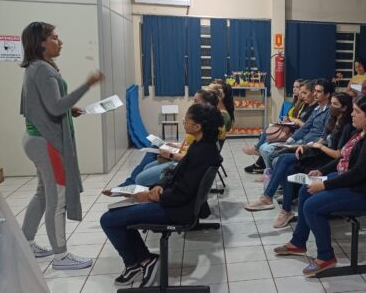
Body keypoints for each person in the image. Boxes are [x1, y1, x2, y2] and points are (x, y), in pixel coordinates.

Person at [272, 95, 366, 277]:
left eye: (357, 112)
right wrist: (321, 172)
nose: (352, 115)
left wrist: (325, 186)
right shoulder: (361, 132)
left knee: (312, 206)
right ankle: (298, 243)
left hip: (365, 193)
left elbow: (358, 173)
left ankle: (326, 257)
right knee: (305, 191)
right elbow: (343, 158)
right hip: (352, 182)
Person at [100, 103, 222, 287]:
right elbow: (178, 175)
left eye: (187, 119)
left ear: (197, 126)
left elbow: (183, 193)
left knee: (109, 220)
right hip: (173, 201)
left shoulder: (202, 152)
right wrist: (159, 186)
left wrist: (151, 196)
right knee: (118, 214)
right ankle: (139, 261)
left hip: (177, 210)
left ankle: (141, 261)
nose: (183, 121)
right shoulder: (202, 146)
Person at [19, 22, 103, 269]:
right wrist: (87, 84)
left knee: (43, 194)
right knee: (57, 199)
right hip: (47, 142)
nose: (60, 41)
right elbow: (55, 106)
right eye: (55, 37)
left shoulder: (36, 67)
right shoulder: (43, 70)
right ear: (41, 42)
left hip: (35, 138)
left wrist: (69, 111)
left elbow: (46, 105)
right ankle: (61, 256)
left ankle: (27, 242)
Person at [244, 93, 355, 228]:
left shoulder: (347, 126)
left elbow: (338, 154)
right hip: (318, 153)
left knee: (285, 161)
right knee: (286, 163)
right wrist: (304, 146)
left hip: (327, 160)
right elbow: (320, 141)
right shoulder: (332, 120)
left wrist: (319, 146)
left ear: (344, 108)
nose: (331, 107)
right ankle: (283, 209)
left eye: (335, 104)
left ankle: (270, 199)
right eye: (331, 103)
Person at [115, 89, 220, 187]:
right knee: (149, 160)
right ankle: (133, 183)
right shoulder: (201, 139)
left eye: (196, 101)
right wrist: (174, 146)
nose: (193, 103)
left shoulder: (203, 139)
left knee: (142, 176)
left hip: (178, 161)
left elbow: (191, 159)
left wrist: (170, 154)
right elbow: (190, 151)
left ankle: (133, 183)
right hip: (180, 158)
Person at [258, 79, 333, 170]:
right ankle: (271, 176)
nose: (315, 94)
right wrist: (290, 140)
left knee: (273, 157)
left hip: (310, 146)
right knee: (271, 153)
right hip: (302, 141)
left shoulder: (330, 112)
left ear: (327, 95)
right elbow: (305, 128)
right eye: (315, 91)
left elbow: (324, 135)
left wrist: (305, 144)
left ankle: (271, 177)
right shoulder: (317, 109)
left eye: (318, 92)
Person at [244, 80, 318, 173]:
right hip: (294, 133)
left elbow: (306, 128)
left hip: (297, 135)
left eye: (303, 92)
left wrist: (293, 131)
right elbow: (297, 121)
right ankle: (265, 169)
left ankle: (265, 170)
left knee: (267, 149)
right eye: (294, 88)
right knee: (267, 134)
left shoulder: (314, 109)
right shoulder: (302, 104)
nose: (299, 93)